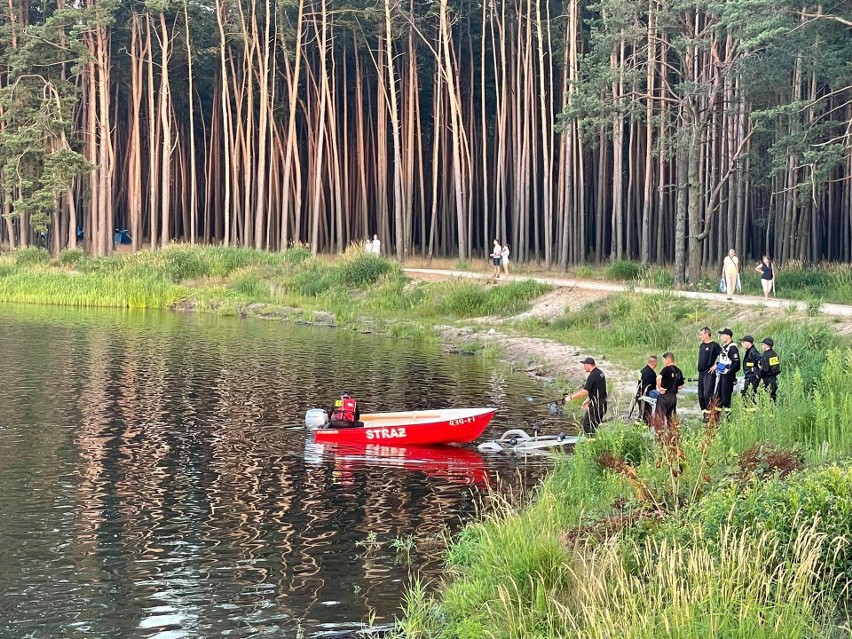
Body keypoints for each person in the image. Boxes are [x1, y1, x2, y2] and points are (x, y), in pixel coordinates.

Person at [564, 357, 607, 435]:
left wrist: (570, 398)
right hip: (603, 403)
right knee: (594, 425)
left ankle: (591, 443)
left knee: (587, 426)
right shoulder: (600, 373)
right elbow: (598, 390)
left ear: (588, 365)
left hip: (596, 406)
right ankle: (595, 441)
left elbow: (584, 392)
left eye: (584, 365)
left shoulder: (592, 376)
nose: (583, 367)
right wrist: (588, 400)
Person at [713, 328, 741, 413]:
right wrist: (717, 365)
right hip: (722, 375)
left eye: (722, 335)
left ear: (728, 336)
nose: (720, 337)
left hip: (728, 376)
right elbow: (724, 361)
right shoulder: (725, 347)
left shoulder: (732, 348)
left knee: (726, 399)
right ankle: (716, 420)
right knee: (718, 397)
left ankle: (728, 419)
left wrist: (728, 371)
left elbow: (736, 364)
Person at [696, 327, 722, 420]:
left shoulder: (714, 345)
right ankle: (705, 415)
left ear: (707, 334)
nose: (700, 336)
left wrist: (717, 365)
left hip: (709, 373)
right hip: (701, 373)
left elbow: (723, 356)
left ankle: (712, 415)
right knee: (701, 394)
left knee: (708, 394)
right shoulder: (702, 345)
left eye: (701, 334)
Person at [655, 352, 685, 422]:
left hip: (664, 396)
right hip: (673, 397)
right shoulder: (679, 371)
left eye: (664, 360)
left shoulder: (666, 369)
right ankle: (671, 431)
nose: (664, 362)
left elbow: (658, 377)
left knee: (660, 418)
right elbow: (681, 386)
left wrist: (659, 388)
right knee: (670, 418)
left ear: (668, 359)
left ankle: (660, 431)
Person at [740, 335, 761, 406]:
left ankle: (752, 413)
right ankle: (748, 412)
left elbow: (760, 360)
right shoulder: (749, 351)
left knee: (749, 396)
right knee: (746, 395)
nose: (742, 344)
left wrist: (755, 370)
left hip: (752, 377)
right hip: (749, 376)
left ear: (748, 343)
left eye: (743, 342)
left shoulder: (753, 351)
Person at [637, 355, 658, 424]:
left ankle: (641, 426)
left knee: (642, 413)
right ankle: (644, 428)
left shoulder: (642, 371)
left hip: (640, 395)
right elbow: (648, 387)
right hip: (646, 398)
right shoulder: (651, 374)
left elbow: (639, 383)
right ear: (654, 363)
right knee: (646, 416)